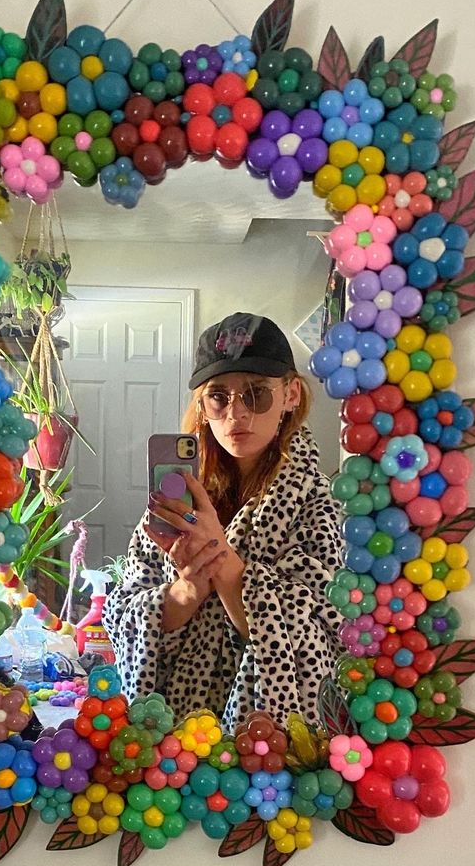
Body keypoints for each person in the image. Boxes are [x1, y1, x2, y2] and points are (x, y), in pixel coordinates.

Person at [104, 312, 343, 731]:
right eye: (219, 396)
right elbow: (122, 617)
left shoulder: (321, 503)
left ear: (290, 395)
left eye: (256, 394)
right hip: (173, 740)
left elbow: (323, 636)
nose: (236, 414)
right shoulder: (174, 497)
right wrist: (185, 590)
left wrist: (225, 563)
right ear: (202, 403)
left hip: (263, 744)